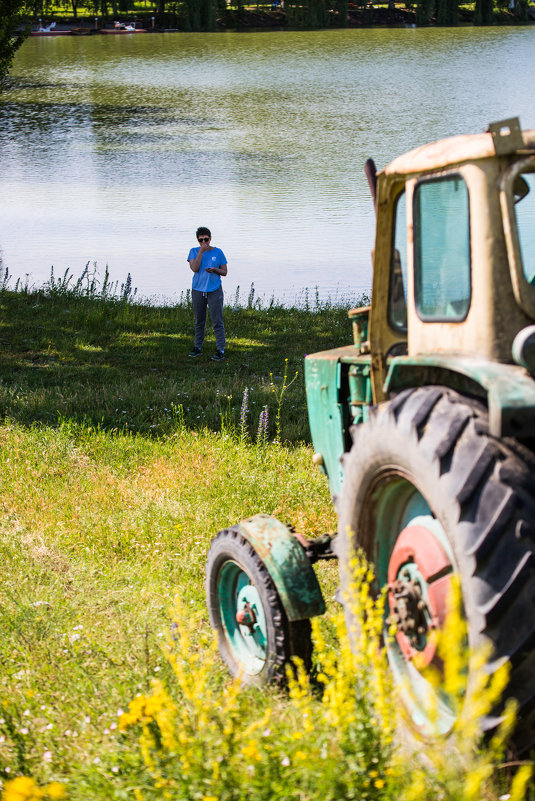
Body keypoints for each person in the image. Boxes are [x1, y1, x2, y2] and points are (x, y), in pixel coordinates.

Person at [187, 227, 228, 361]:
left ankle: (220, 349)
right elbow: (195, 268)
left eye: (206, 239)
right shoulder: (194, 252)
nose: (204, 242)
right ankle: (197, 347)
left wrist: (215, 270)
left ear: (210, 238)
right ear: (198, 240)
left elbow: (224, 272)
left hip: (214, 290)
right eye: (201, 240)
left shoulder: (218, 252)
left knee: (217, 320)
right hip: (198, 289)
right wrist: (201, 251)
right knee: (199, 320)